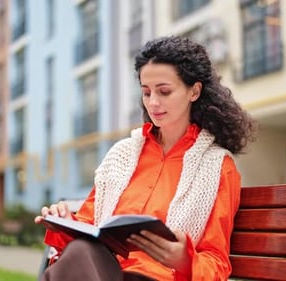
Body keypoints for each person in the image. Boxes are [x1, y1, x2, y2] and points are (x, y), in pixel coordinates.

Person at [34, 35, 257, 281]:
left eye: (164, 91)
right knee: (80, 250)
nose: (153, 102)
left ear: (194, 91)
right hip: (102, 272)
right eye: (146, 92)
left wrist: (184, 260)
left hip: (160, 278)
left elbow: (216, 263)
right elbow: (88, 227)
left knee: (73, 260)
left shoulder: (217, 167)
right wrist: (65, 222)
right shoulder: (121, 155)